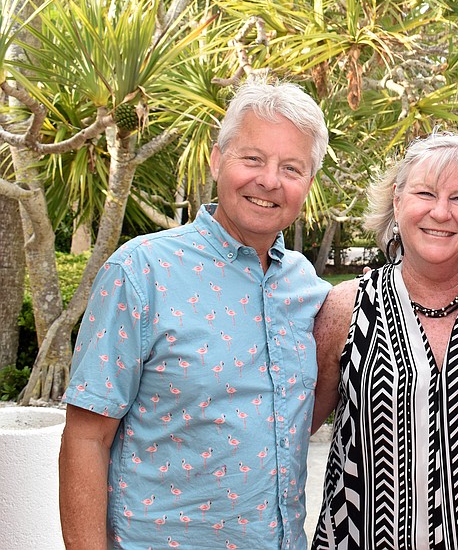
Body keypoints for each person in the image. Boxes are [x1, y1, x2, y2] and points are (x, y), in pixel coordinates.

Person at [59, 78, 331, 550]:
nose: (270, 181)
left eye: (291, 167)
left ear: (308, 183)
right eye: (253, 158)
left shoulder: (305, 286)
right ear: (217, 158)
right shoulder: (140, 271)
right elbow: (85, 439)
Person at [310, 131, 458, 550]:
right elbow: (296, 428)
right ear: (397, 203)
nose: (441, 212)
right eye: (425, 193)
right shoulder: (347, 306)